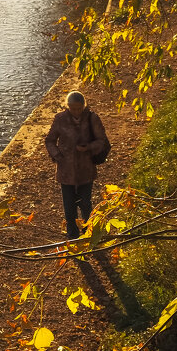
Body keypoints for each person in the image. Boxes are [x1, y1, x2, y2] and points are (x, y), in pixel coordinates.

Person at [44, 90, 109, 240]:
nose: (76, 111)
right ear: (67, 107)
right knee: (69, 207)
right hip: (66, 170)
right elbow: (50, 140)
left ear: (83, 106)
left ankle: (89, 234)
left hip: (86, 168)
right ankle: (72, 237)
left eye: (79, 108)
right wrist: (58, 156)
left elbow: (102, 141)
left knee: (86, 203)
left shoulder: (92, 118)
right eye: (73, 108)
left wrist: (89, 147)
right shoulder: (60, 119)